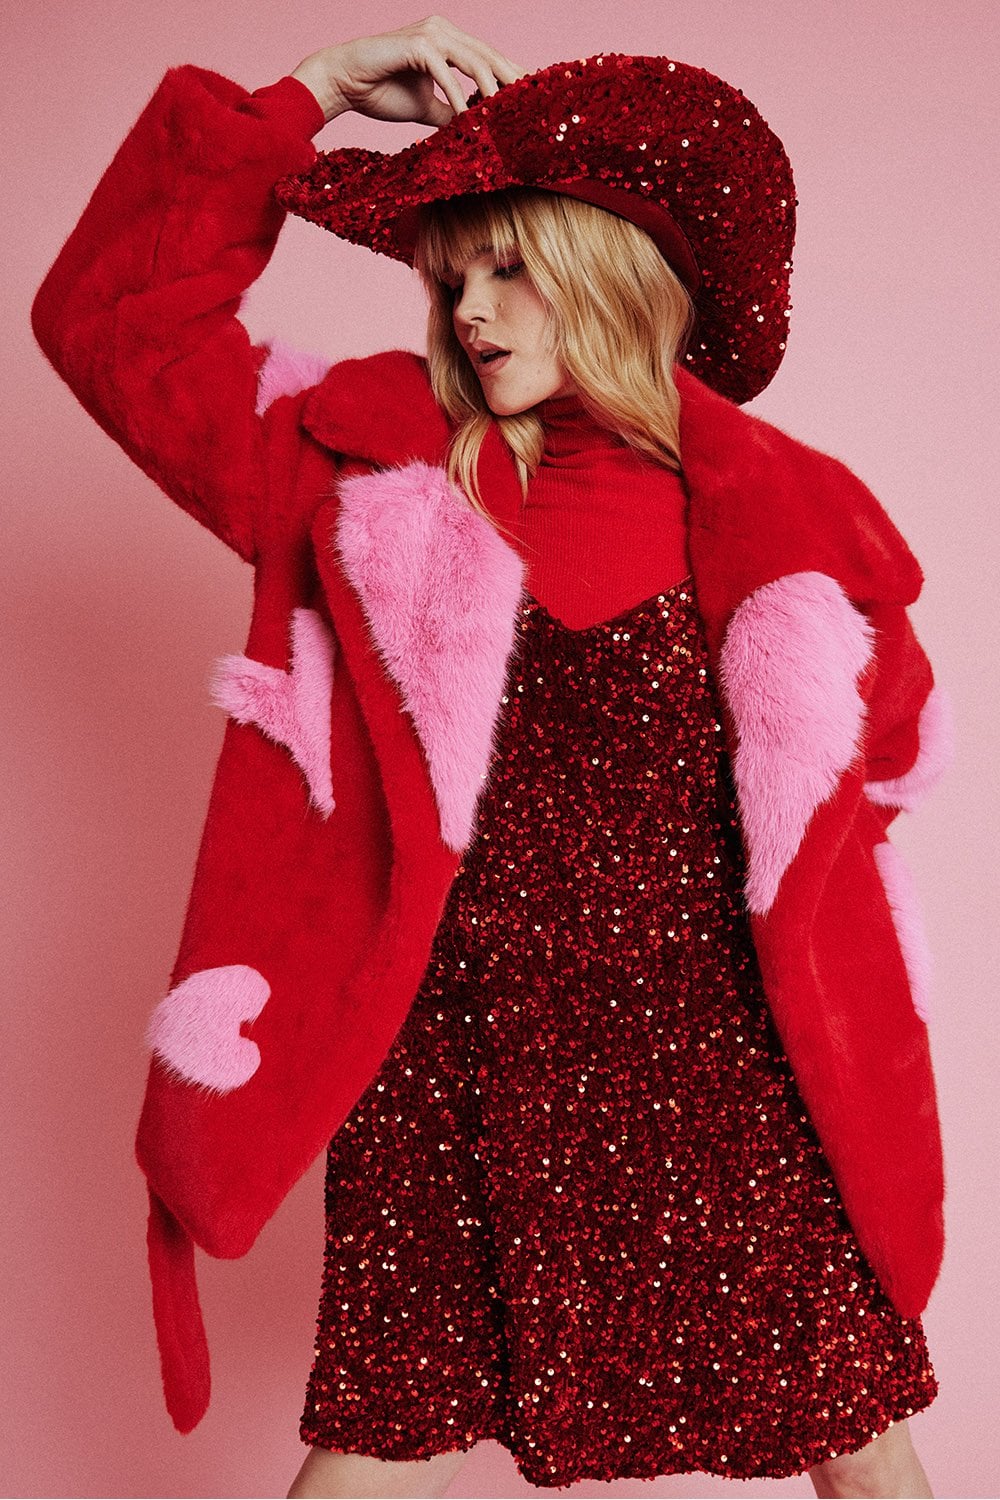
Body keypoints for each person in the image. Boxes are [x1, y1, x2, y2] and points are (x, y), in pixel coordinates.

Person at [31, 16, 952, 1500]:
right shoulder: (348, 461)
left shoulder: (801, 520)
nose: (467, 308)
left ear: (617, 271)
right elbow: (114, 325)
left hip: (726, 1076)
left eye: (509, 265)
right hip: (449, 1073)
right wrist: (314, 95)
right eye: (450, 274)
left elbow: (877, 792)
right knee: (375, 1451)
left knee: (862, 1448)